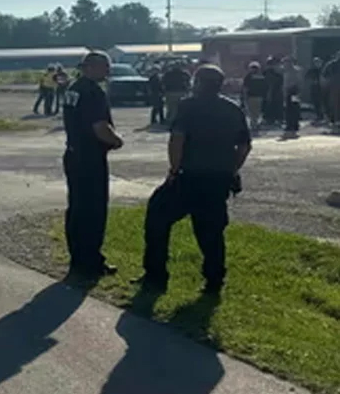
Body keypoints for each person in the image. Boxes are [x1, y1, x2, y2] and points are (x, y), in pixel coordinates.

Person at [138, 64, 252, 295]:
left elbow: (177, 139)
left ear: (198, 83)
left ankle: (156, 276)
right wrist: (231, 169)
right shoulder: (233, 109)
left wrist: (174, 169)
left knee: (157, 219)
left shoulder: (188, 106)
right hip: (218, 179)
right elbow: (244, 145)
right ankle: (214, 280)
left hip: (188, 176)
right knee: (211, 231)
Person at [62, 51, 124, 279]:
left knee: (77, 207)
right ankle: (91, 260)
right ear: (91, 67)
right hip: (90, 157)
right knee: (93, 210)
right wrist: (116, 140)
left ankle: (78, 257)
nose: (108, 71)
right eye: (105, 67)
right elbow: (100, 127)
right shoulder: (92, 92)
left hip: (73, 153)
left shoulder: (73, 89)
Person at [241, 61, 266, 133]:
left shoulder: (248, 76)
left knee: (252, 113)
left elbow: (245, 88)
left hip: (251, 97)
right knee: (257, 112)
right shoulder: (262, 76)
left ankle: (254, 125)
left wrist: (244, 97)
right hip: (259, 97)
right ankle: (255, 124)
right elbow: (264, 87)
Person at [282, 56, 303, 138]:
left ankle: (294, 125)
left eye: (287, 62)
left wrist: (299, 92)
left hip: (294, 91)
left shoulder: (296, 71)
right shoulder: (285, 72)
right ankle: (289, 125)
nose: (285, 64)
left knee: (294, 108)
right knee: (288, 109)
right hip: (287, 92)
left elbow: (299, 82)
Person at [262, 57, 284, 127]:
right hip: (268, 92)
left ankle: (277, 119)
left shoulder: (278, 73)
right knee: (268, 106)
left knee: (277, 105)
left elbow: (280, 83)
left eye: (272, 64)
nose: (271, 66)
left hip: (276, 92)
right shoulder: (265, 73)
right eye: (269, 64)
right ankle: (269, 119)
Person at [324, 52, 340, 131]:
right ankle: (336, 120)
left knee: (335, 104)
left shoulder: (330, 64)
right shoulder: (331, 65)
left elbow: (325, 75)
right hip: (334, 86)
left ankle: (336, 120)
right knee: (335, 104)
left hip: (334, 86)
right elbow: (325, 75)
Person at [306, 58, 324, 124]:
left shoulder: (323, 70)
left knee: (322, 102)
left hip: (322, 88)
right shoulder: (312, 70)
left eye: (319, 62)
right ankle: (318, 115)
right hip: (314, 88)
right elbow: (307, 77)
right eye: (316, 62)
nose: (317, 64)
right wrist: (312, 81)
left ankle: (323, 116)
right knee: (315, 102)